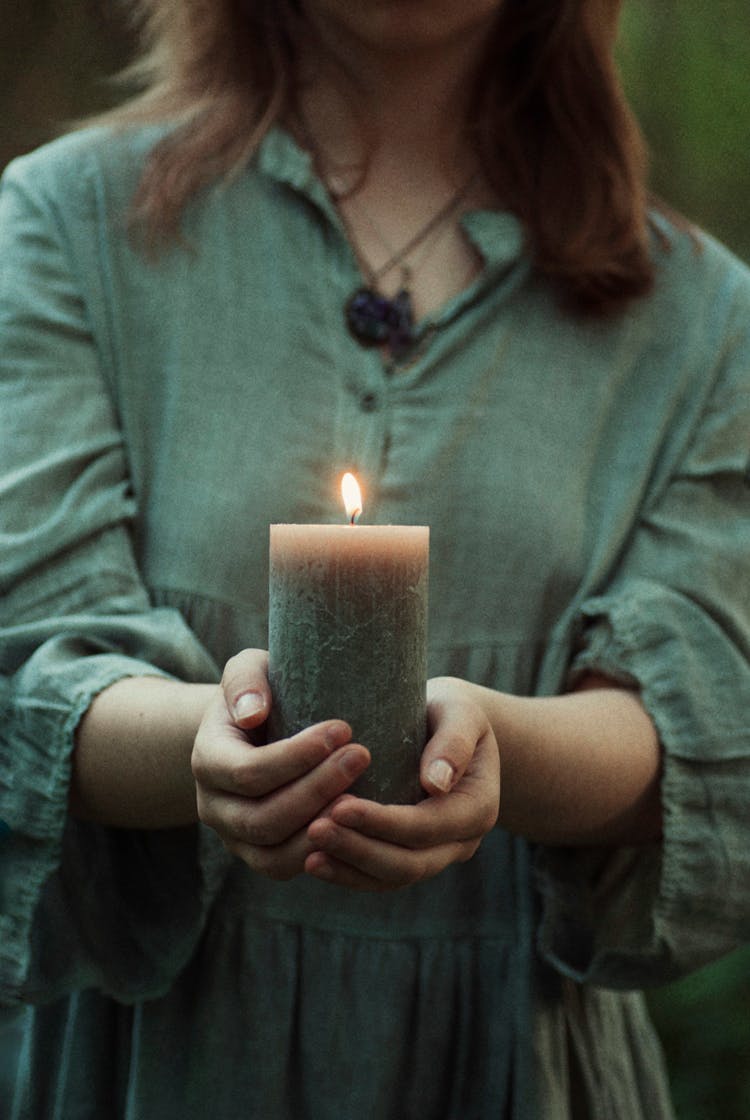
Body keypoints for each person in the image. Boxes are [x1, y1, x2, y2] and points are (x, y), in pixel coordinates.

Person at [1, 1, 748, 1116]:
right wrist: (209, 752)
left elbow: (701, 709)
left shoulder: (697, 315)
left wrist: (500, 751)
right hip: (160, 1062)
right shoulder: (70, 223)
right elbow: (31, 657)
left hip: (509, 1062)